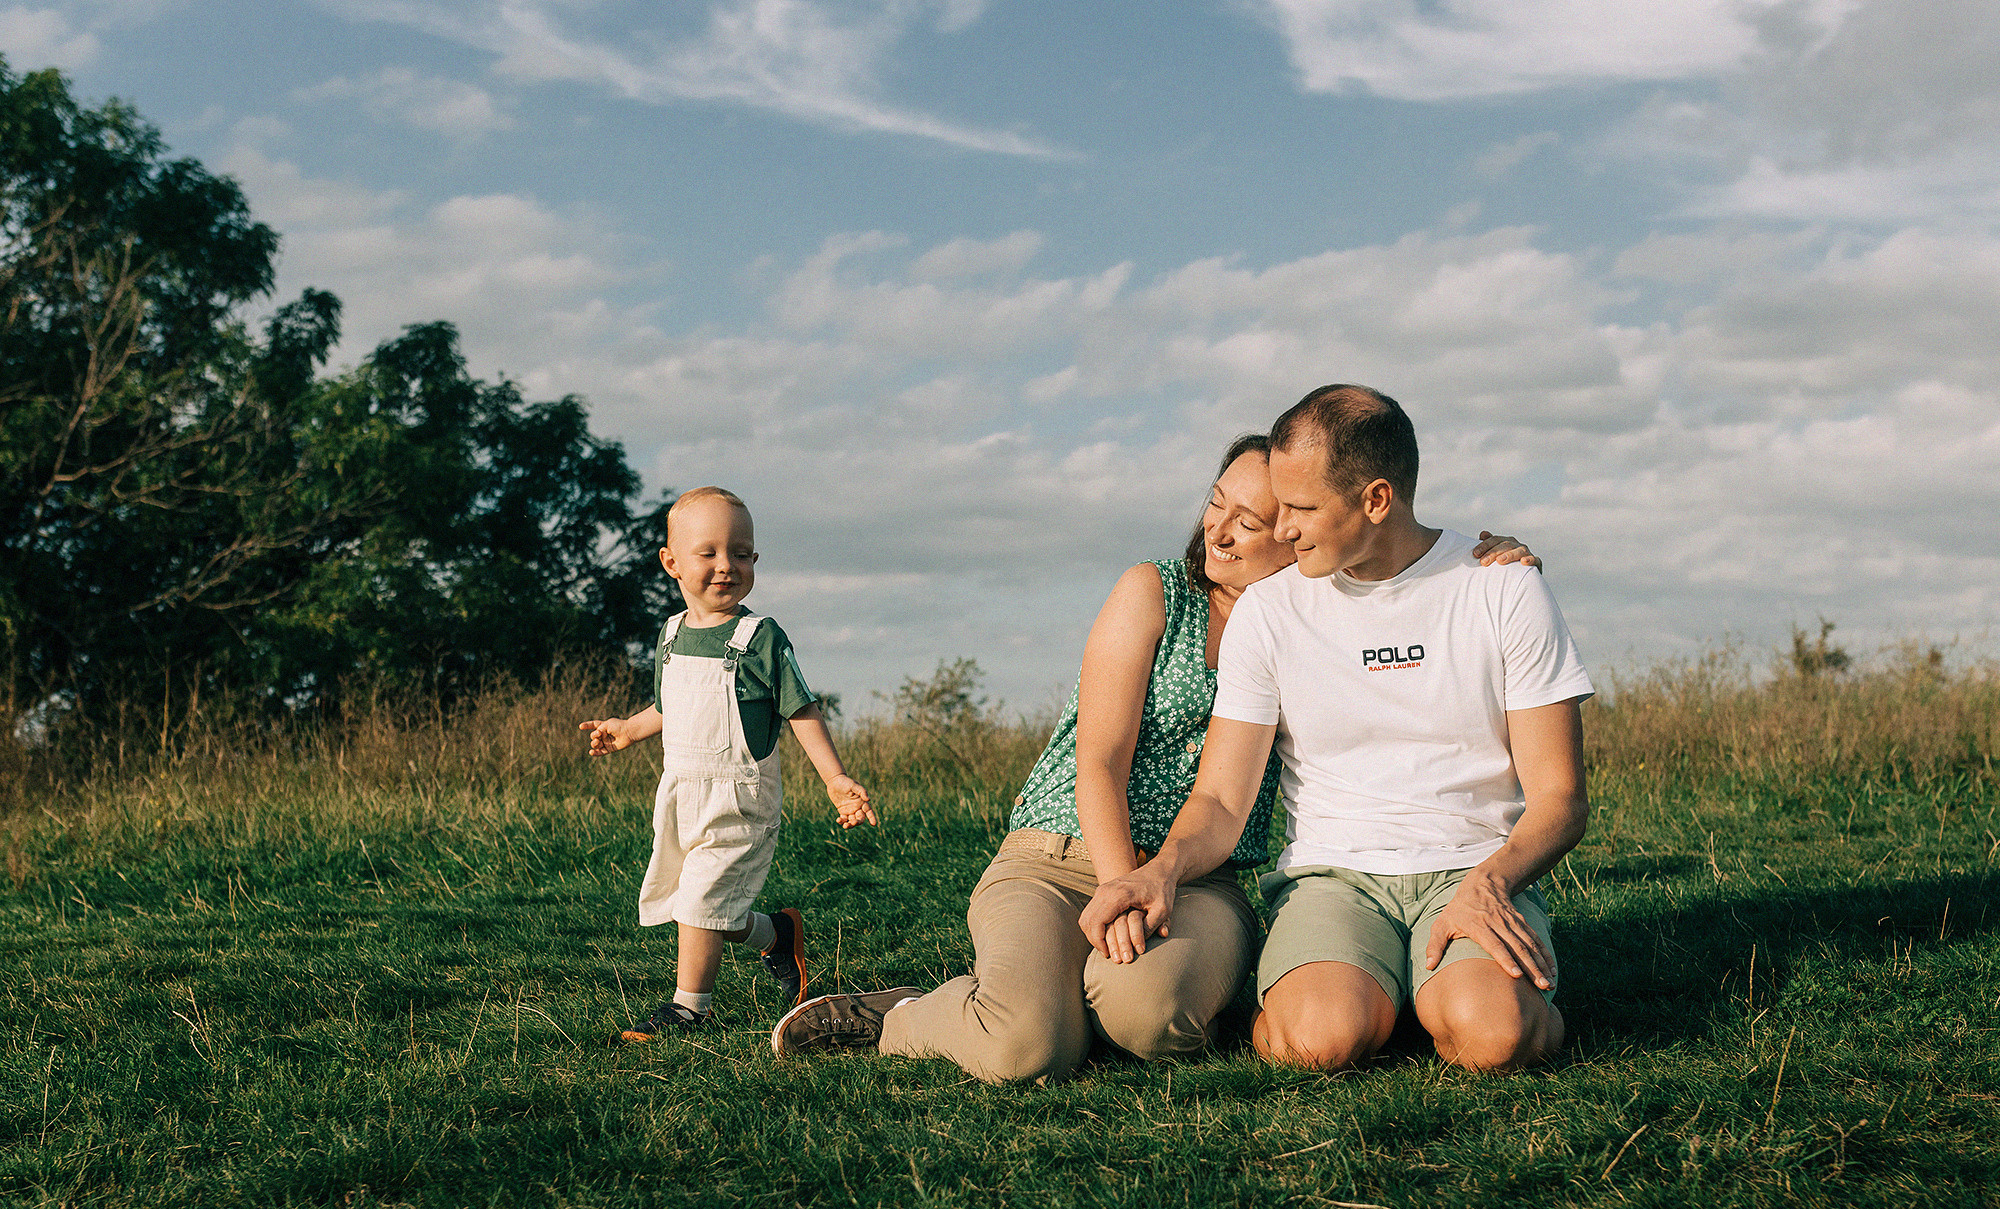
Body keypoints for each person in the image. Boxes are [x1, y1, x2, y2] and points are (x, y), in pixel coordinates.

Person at [768, 437, 1542, 1081]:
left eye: (1257, 520)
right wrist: (1121, 886)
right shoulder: (1155, 592)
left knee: (1146, 1015)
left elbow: (1401, 577)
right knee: (1028, 1049)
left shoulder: (1313, 613)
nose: (1221, 532)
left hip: (1198, 877)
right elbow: (1099, 759)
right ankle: (907, 1012)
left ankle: (1060, 997)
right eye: (1216, 504)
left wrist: (1488, 559)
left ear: (1302, 533)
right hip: (1060, 855)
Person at [1081, 385, 1592, 1073]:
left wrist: (1492, 882)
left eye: (1300, 508)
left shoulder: (1501, 586)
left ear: (1376, 500)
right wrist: (1161, 871)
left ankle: (1463, 996)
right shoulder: (1268, 613)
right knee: (1319, 1039)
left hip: (1473, 867)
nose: (1282, 528)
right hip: (1334, 878)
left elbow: (1560, 796)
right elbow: (1222, 801)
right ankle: (1372, 992)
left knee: (1494, 1037)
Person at [579, 486, 877, 1041]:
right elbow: (671, 705)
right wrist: (629, 729)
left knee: (700, 900)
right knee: (703, 902)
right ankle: (776, 936)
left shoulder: (760, 637)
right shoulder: (671, 634)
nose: (726, 566)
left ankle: (689, 1008)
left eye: (741, 553)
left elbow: (801, 709)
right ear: (671, 563)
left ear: (755, 561)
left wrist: (836, 780)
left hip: (740, 795)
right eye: (709, 553)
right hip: (682, 793)